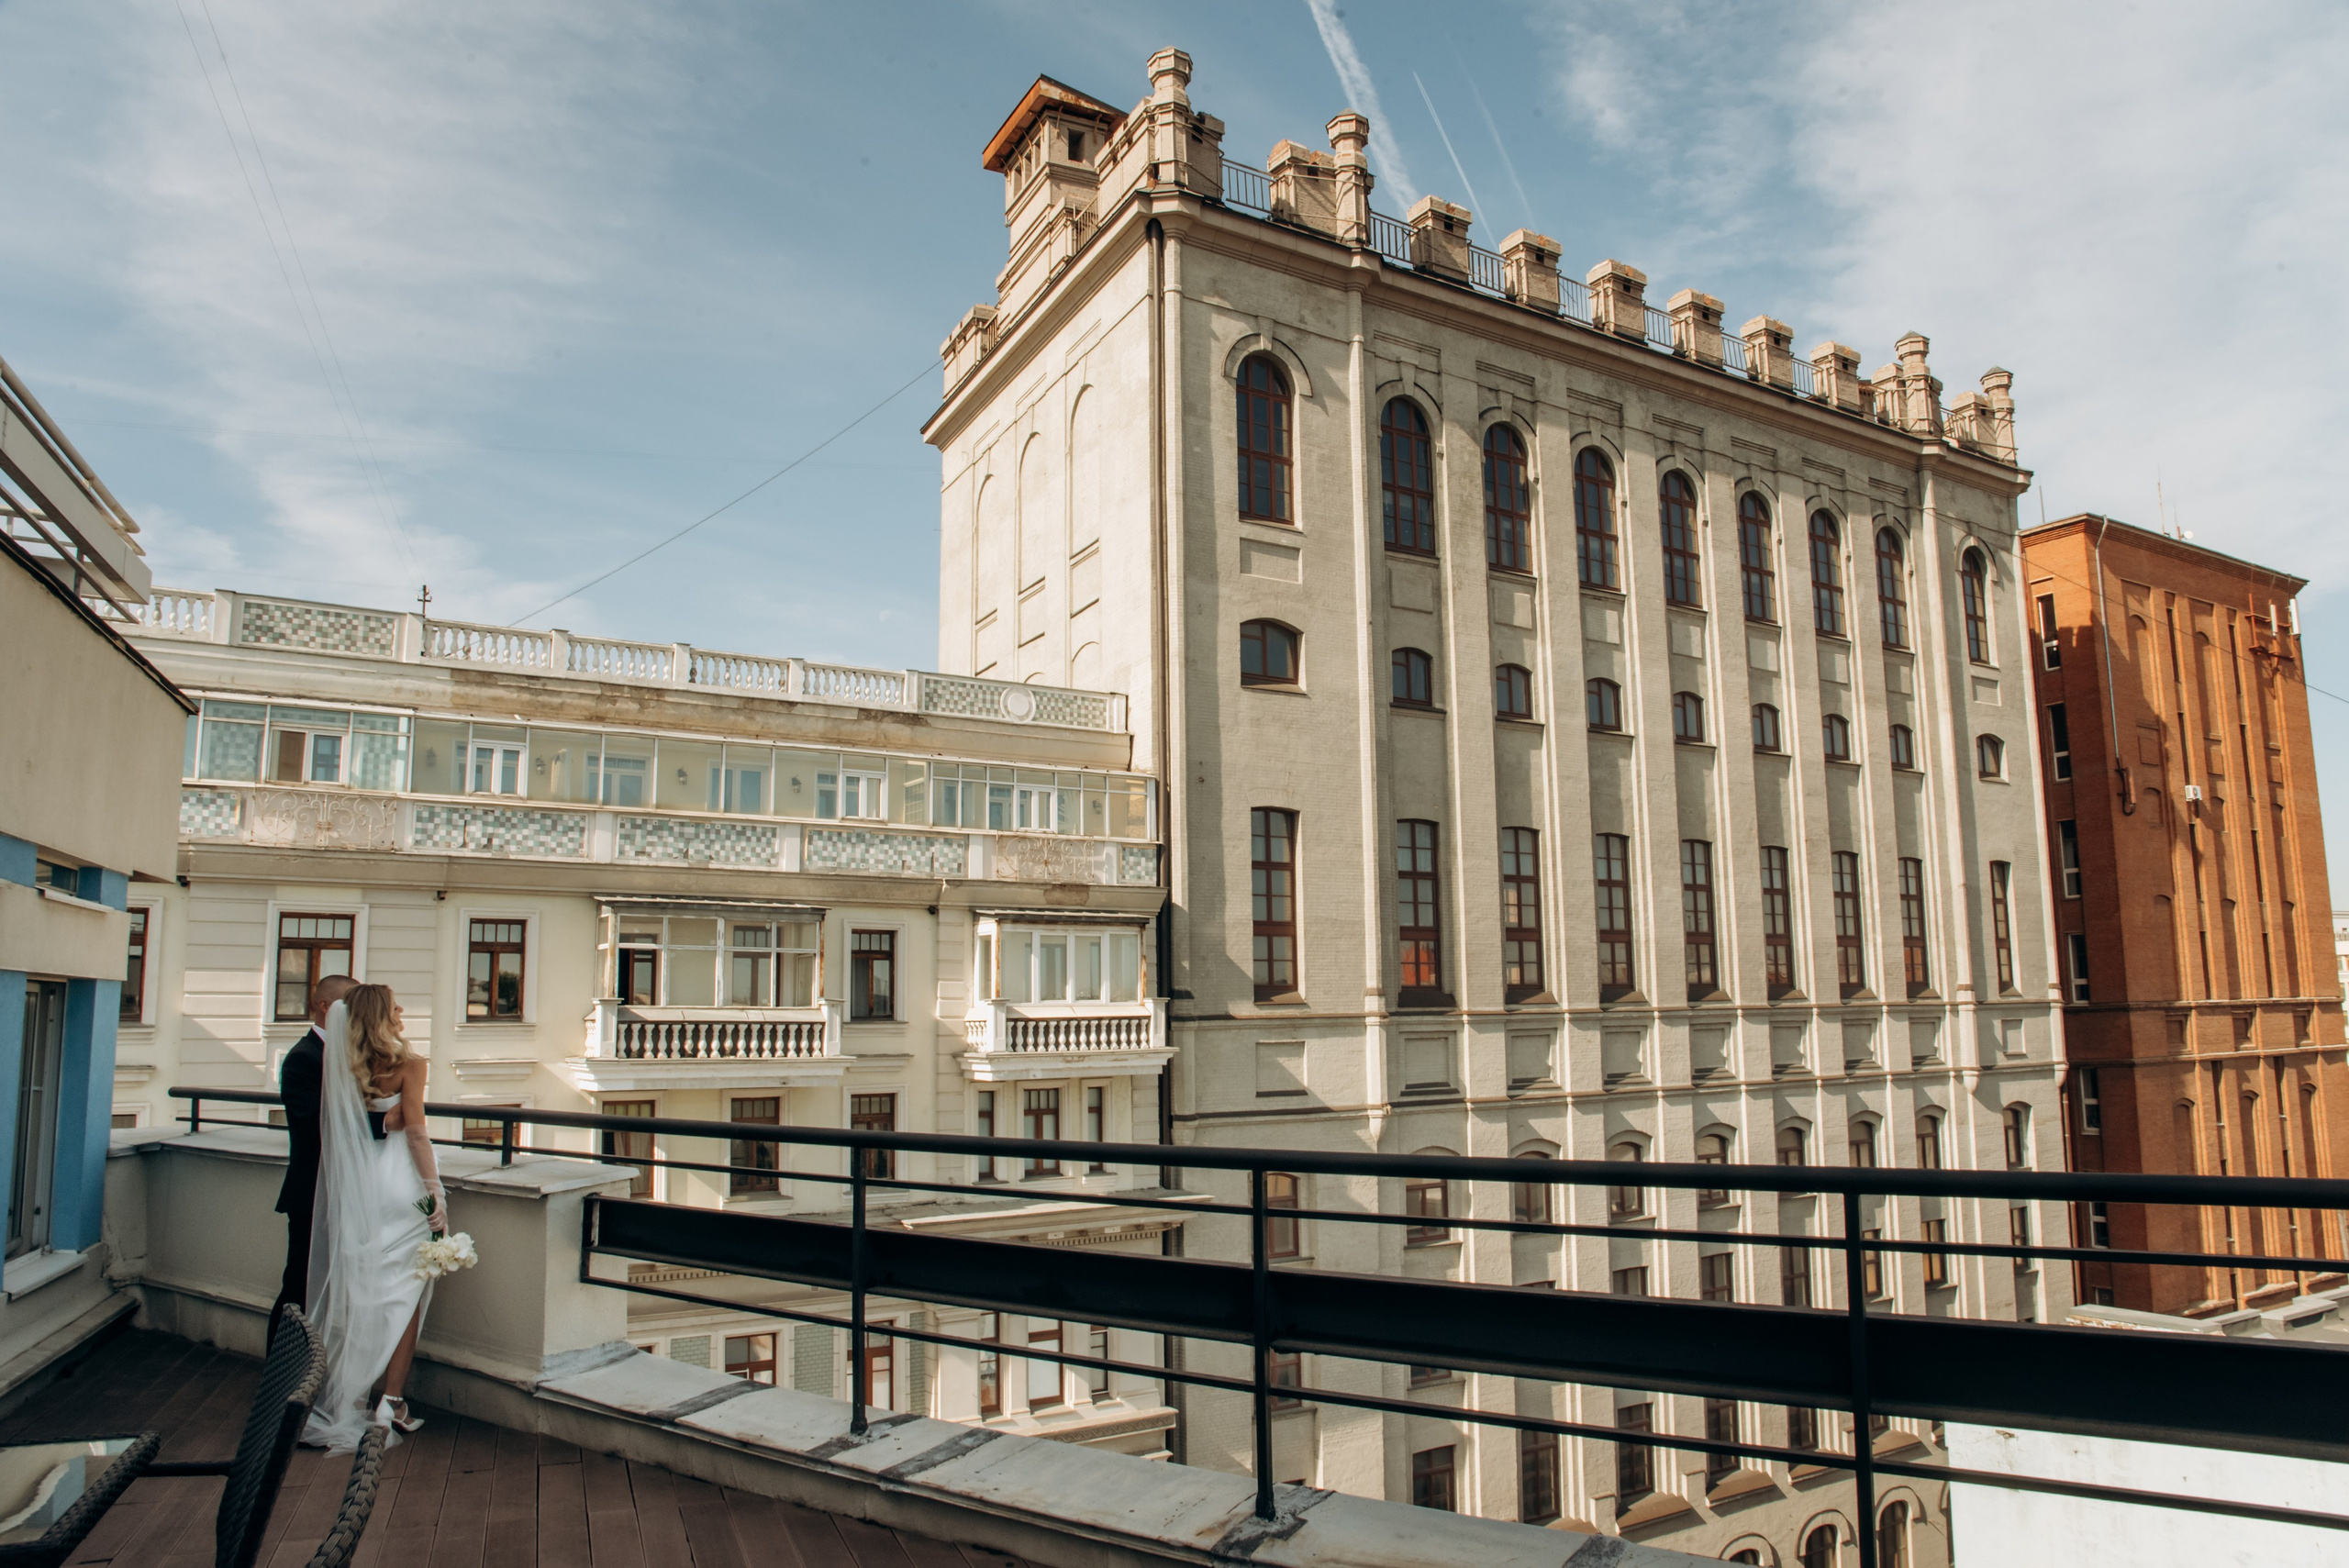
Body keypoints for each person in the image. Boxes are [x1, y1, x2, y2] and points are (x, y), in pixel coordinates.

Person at [302, 983, 446, 1450]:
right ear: (383, 1016)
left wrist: (384, 1122)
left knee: (365, 1293)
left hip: (362, 1188)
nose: (402, 1009)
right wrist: (434, 1195)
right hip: (404, 1187)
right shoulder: (412, 1065)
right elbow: (418, 1137)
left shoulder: (342, 1065)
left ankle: (347, 1398)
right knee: (408, 1291)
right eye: (396, 1005)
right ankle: (392, 1401)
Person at [273, 973, 357, 1323]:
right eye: (349, 1006)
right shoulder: (303, 1057)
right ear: (325, 1007)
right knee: (298, 1288)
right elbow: (316, 1125)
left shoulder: (344, 1053)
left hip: (341, 1190)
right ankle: (281, 1371)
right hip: (311, 1193)